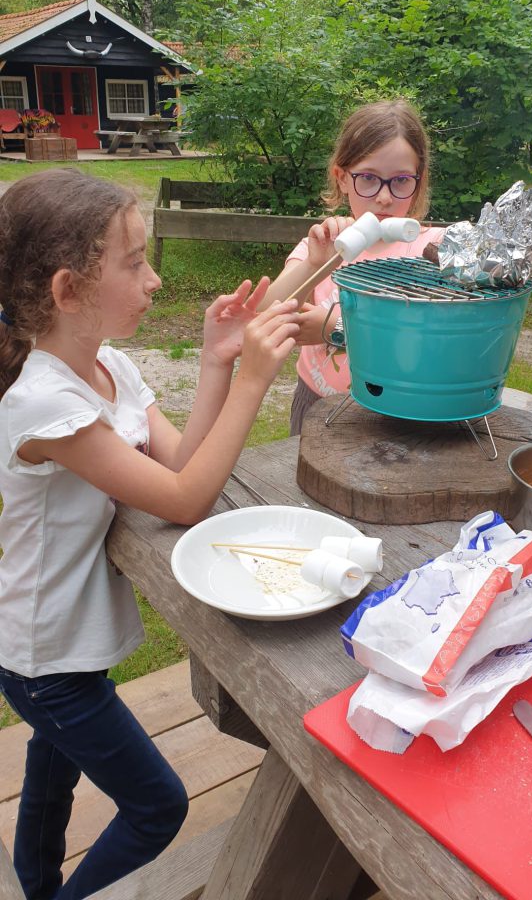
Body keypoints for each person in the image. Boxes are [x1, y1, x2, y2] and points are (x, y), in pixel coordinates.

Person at [0, 169, 300, 900]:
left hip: (62, 648)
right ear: (70, 291)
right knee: (155, 805)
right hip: (44, 658)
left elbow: (182, 466)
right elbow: (189, 501)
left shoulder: (108, 369)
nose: (155, 279)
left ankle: (35, 883)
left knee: (51, 766)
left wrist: (217, 361)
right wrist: (258, 382)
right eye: (133, 262)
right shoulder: (45, 405)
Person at [261, 98, 532, 434]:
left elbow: (439, 337)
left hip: (414, 411)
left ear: (418, 181)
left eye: (400, 181)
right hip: (321, 403)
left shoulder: (437, 249)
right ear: (341, 177)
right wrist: (314, 263)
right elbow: (264, 315)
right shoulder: (321, 248)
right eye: (367, 178)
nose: (383, 196)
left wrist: (336, 327)